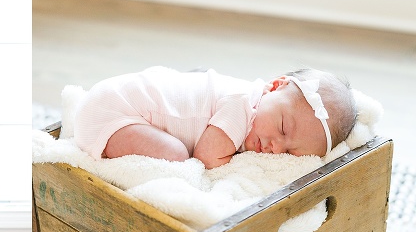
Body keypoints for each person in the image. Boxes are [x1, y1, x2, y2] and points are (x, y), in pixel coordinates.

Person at [74, 66, 358, 169]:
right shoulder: (241, 103)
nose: (277, 147)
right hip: (110, 112)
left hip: (112, 101)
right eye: (283, 127)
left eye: (293, 151)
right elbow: (207, 158)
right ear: (274, 86)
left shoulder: (259, 111)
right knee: (176, 156)